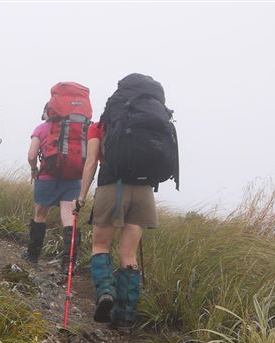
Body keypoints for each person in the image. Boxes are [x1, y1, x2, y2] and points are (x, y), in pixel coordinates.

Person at [76, 73, 178, 329]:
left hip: (113, 186)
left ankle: (105, 293)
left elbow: (90, 163)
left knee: (100, 246)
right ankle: (125, 317)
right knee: (128, 254)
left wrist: (81, 196)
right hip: (144, 191)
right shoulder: (154, 117)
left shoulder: (102, 123)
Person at [26, 103, 80, 268]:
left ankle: (33, 256)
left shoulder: (42, 128)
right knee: (69, 218)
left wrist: (34, 169)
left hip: (47, 178)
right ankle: (69, 264)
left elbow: (31, 155)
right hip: (73, 178)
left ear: (47, 112)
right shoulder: (77, 130)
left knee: (40, 215)